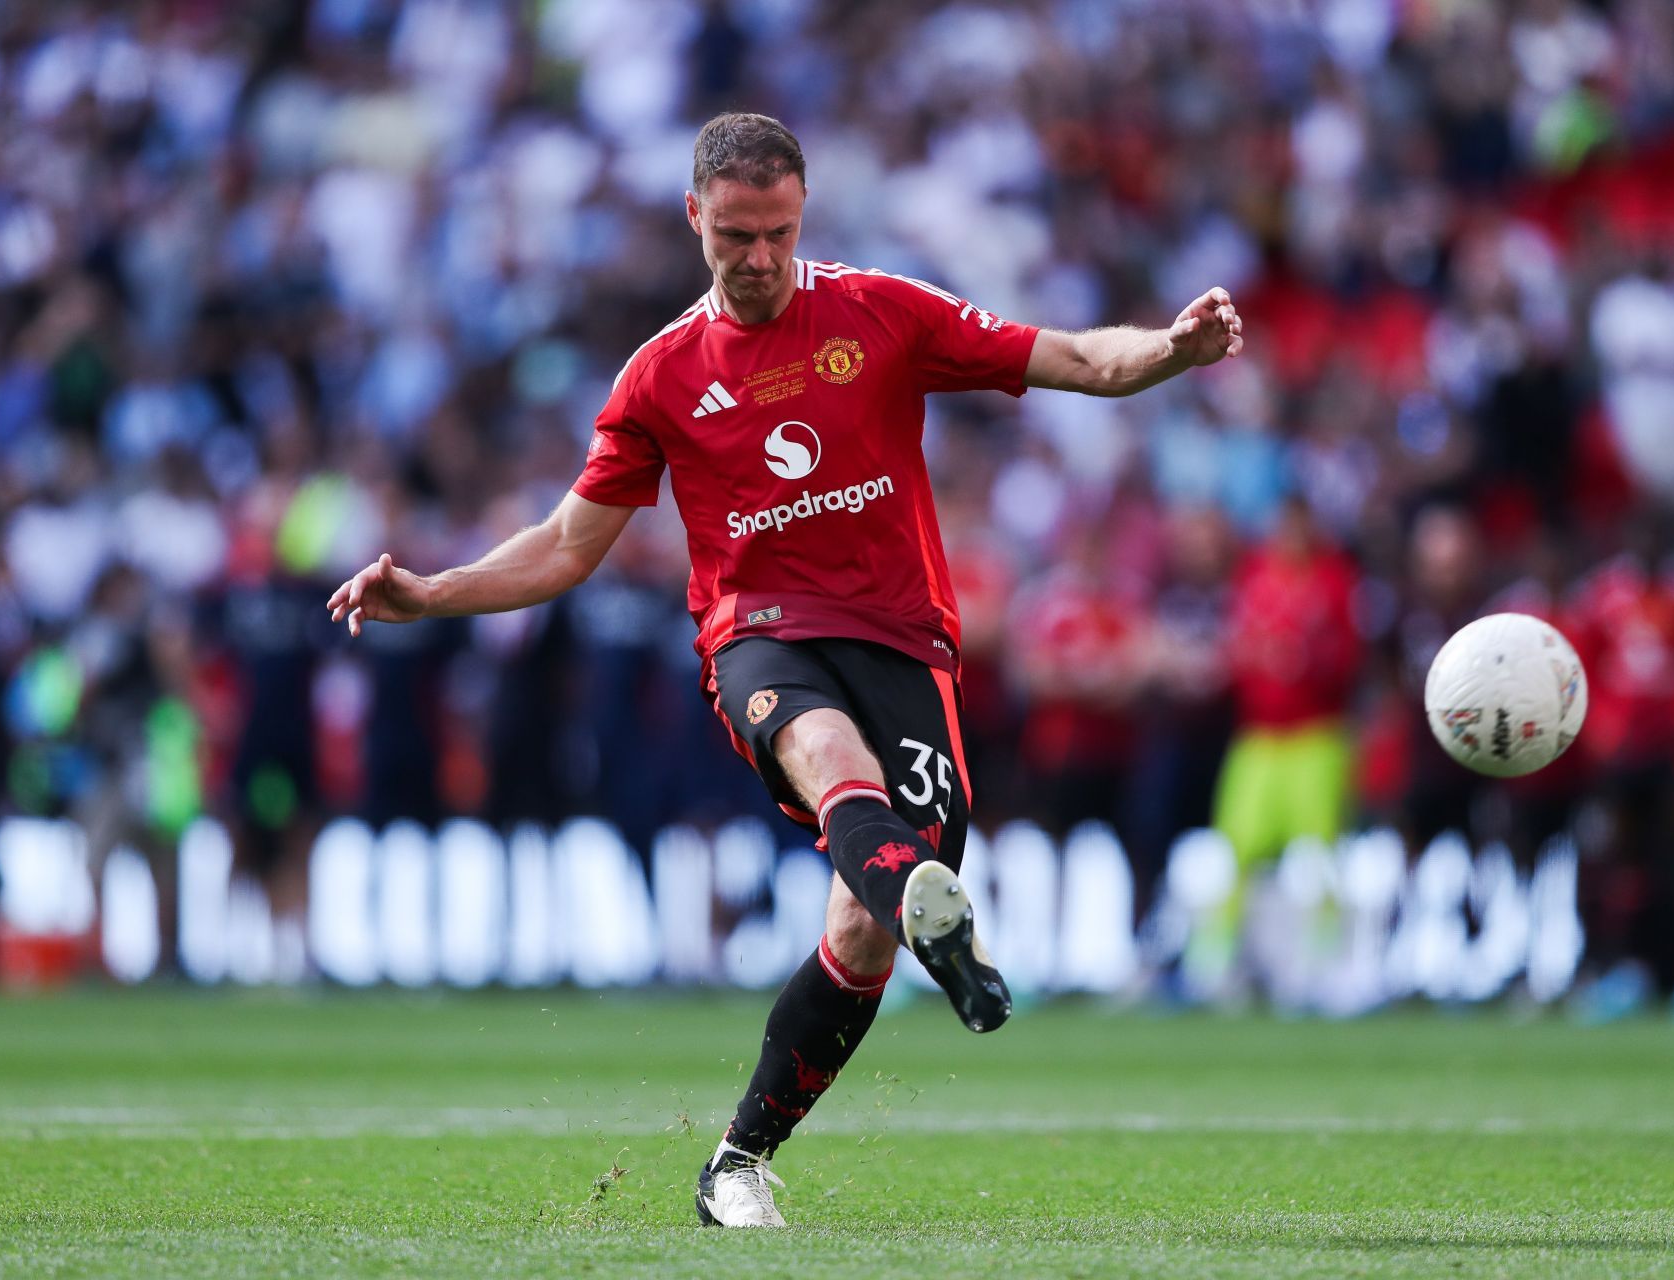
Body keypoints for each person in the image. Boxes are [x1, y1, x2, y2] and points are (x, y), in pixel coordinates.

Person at [326, 113, 1243, 1227]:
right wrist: (431, 590)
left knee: (860, 933)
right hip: (758, 632)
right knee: (825, 753)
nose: (756, 258)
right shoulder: (659, 377)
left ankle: (738, 1156)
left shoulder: (883, 312)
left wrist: (1174, 349)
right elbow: (568, 544)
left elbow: (1077, 357)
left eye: (776, 233)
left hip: (904, 640)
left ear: (803, 214)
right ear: (693, 218)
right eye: (733, 236)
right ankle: (918, 895)